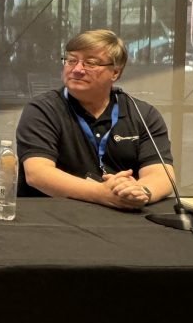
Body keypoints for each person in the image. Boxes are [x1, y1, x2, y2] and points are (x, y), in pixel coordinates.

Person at [16, 29, 173, 209]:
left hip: (125, 217)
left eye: (90, 63)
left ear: (115, 72)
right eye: (71, 60)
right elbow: (38, 174)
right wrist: (102, 193)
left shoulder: (142, 114)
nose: (77, 69)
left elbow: (162, 175)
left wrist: (138, 192)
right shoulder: (43, 109)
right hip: (55, 216)